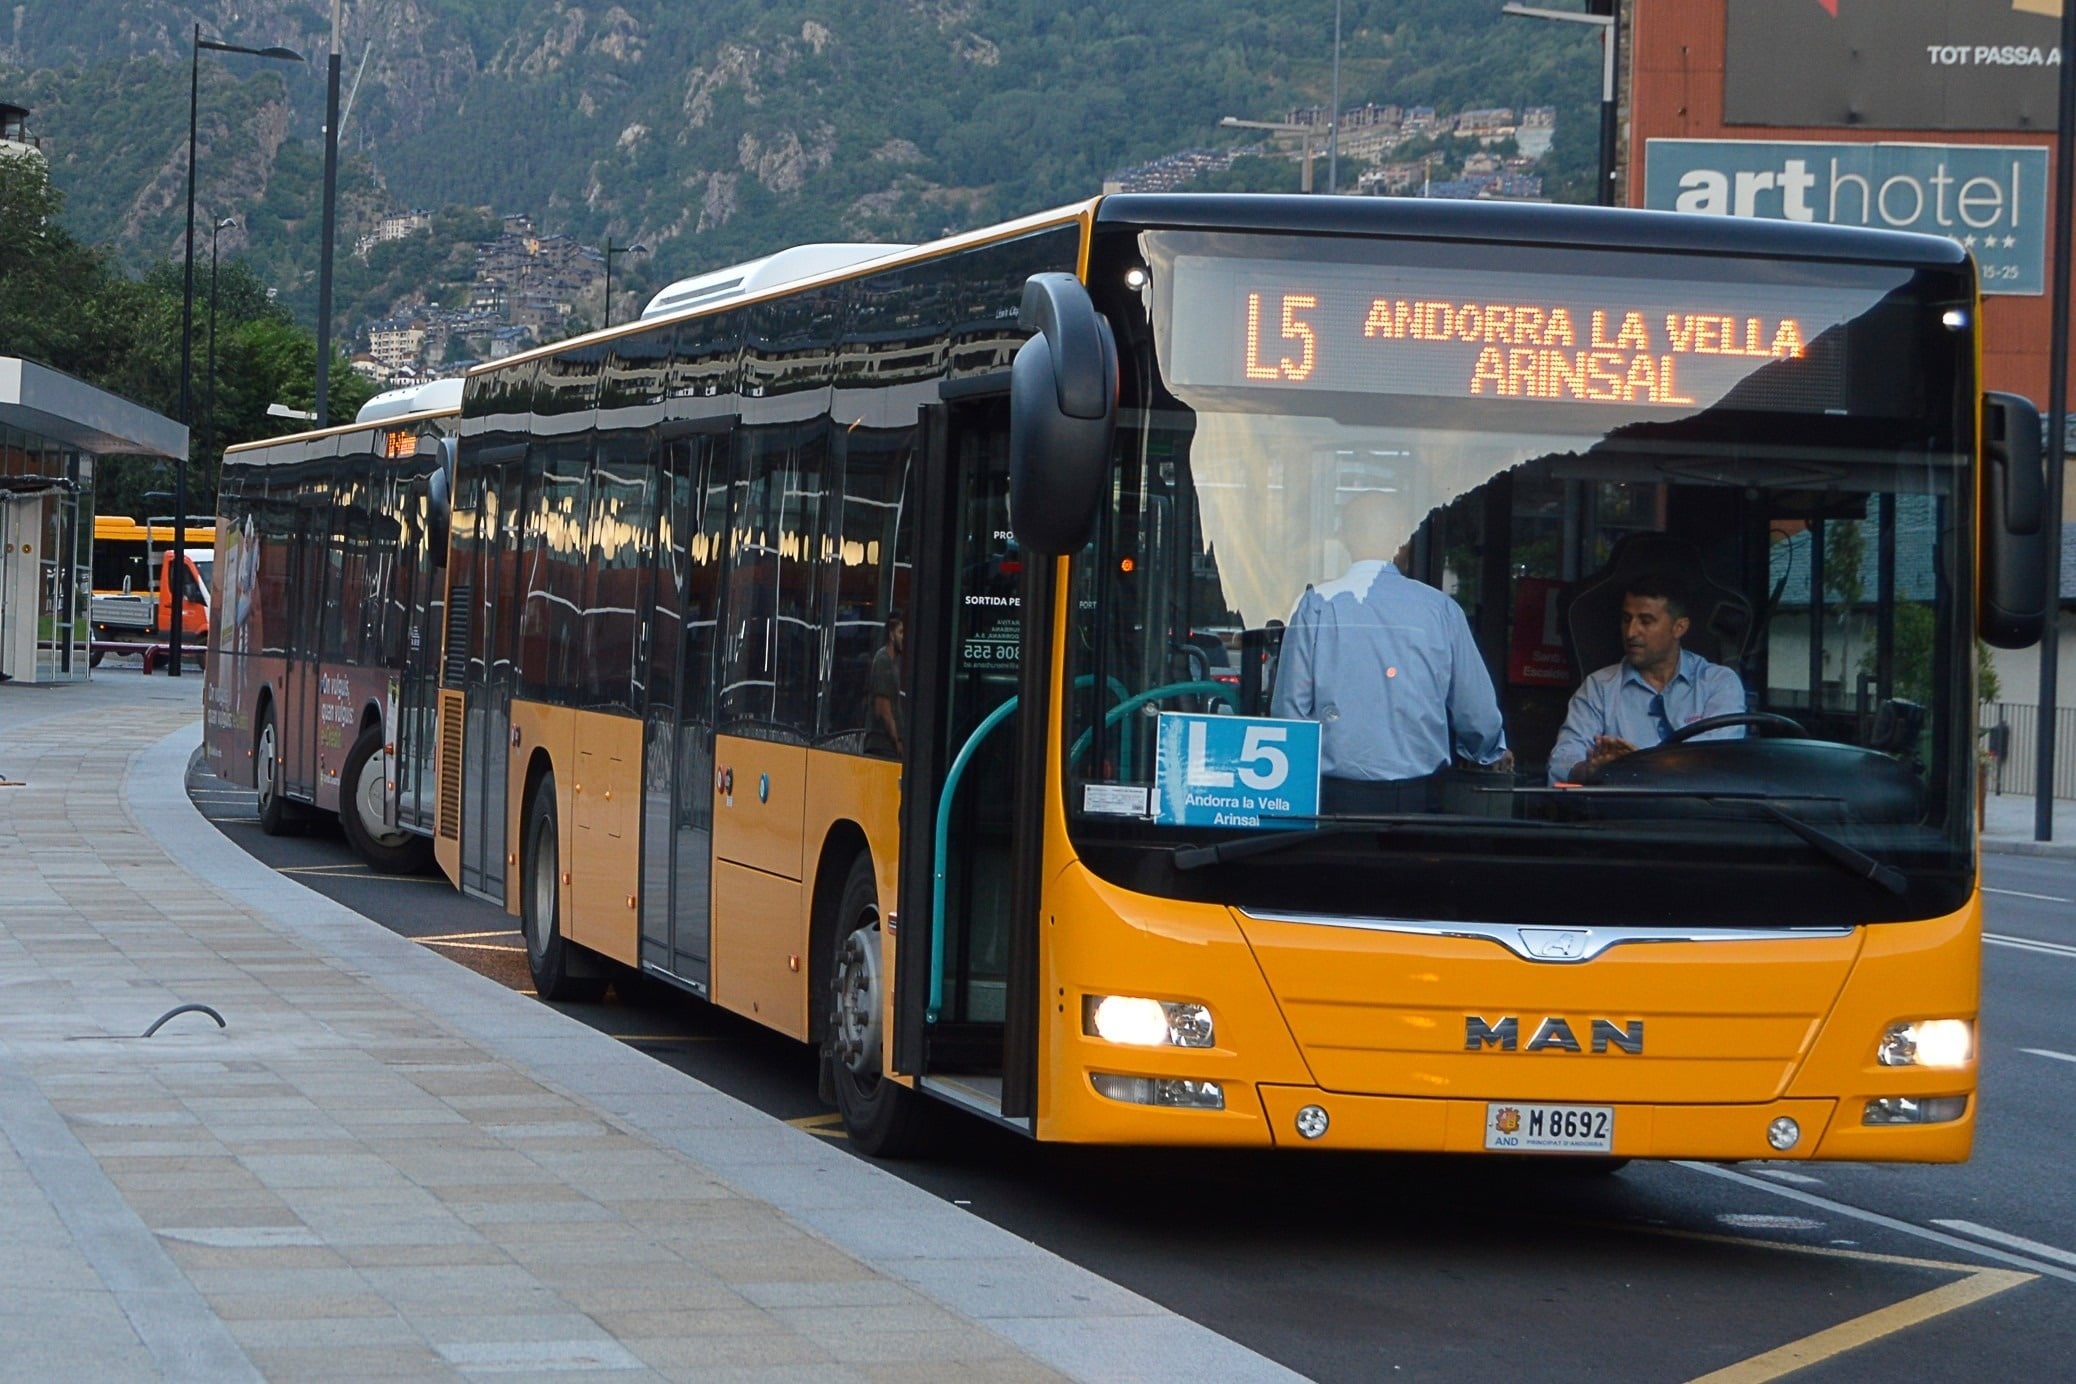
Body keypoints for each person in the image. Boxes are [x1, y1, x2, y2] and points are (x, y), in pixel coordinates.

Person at [1270, 491, 1510, 813]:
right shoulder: (1441, 610)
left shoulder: (1316, 606)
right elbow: (1477, 713)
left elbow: (1289, 715)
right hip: (1419, 798)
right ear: (1404, 538)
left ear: (1343, 538)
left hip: (1332, 800)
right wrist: (1489, 751)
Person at [1548, 572, 1746, 784]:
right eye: (1626, 619)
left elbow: (1717, 763)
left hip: (1697, 813)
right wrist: (1591, 769)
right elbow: (1561, 763)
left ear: (1679, 627)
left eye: (1646, 620)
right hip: (1621, 813)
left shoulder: (1719, 683)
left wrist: (1638, 765)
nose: (1631, 632)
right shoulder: (1598, 687)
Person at [864, 610, 905, 759]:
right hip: (881, 745)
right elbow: (883, 709)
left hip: (886, 744)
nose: (903, 637)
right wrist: (898, 741)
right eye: (901, 632)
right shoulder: (883, 661)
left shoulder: (893, 663)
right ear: (891, 635)